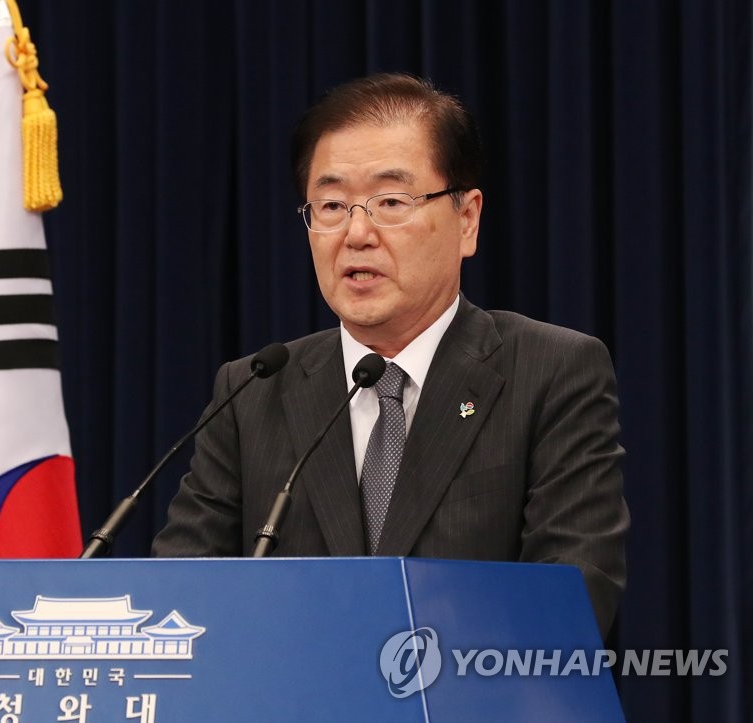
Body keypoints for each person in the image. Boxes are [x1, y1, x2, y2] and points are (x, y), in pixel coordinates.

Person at [151, 72, 629, 638]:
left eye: (391, 202)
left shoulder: (551, 372)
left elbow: (569, 600)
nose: (357, 233)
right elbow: (178, 602)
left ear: (467, 219)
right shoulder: (253, 390)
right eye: (332, 205)